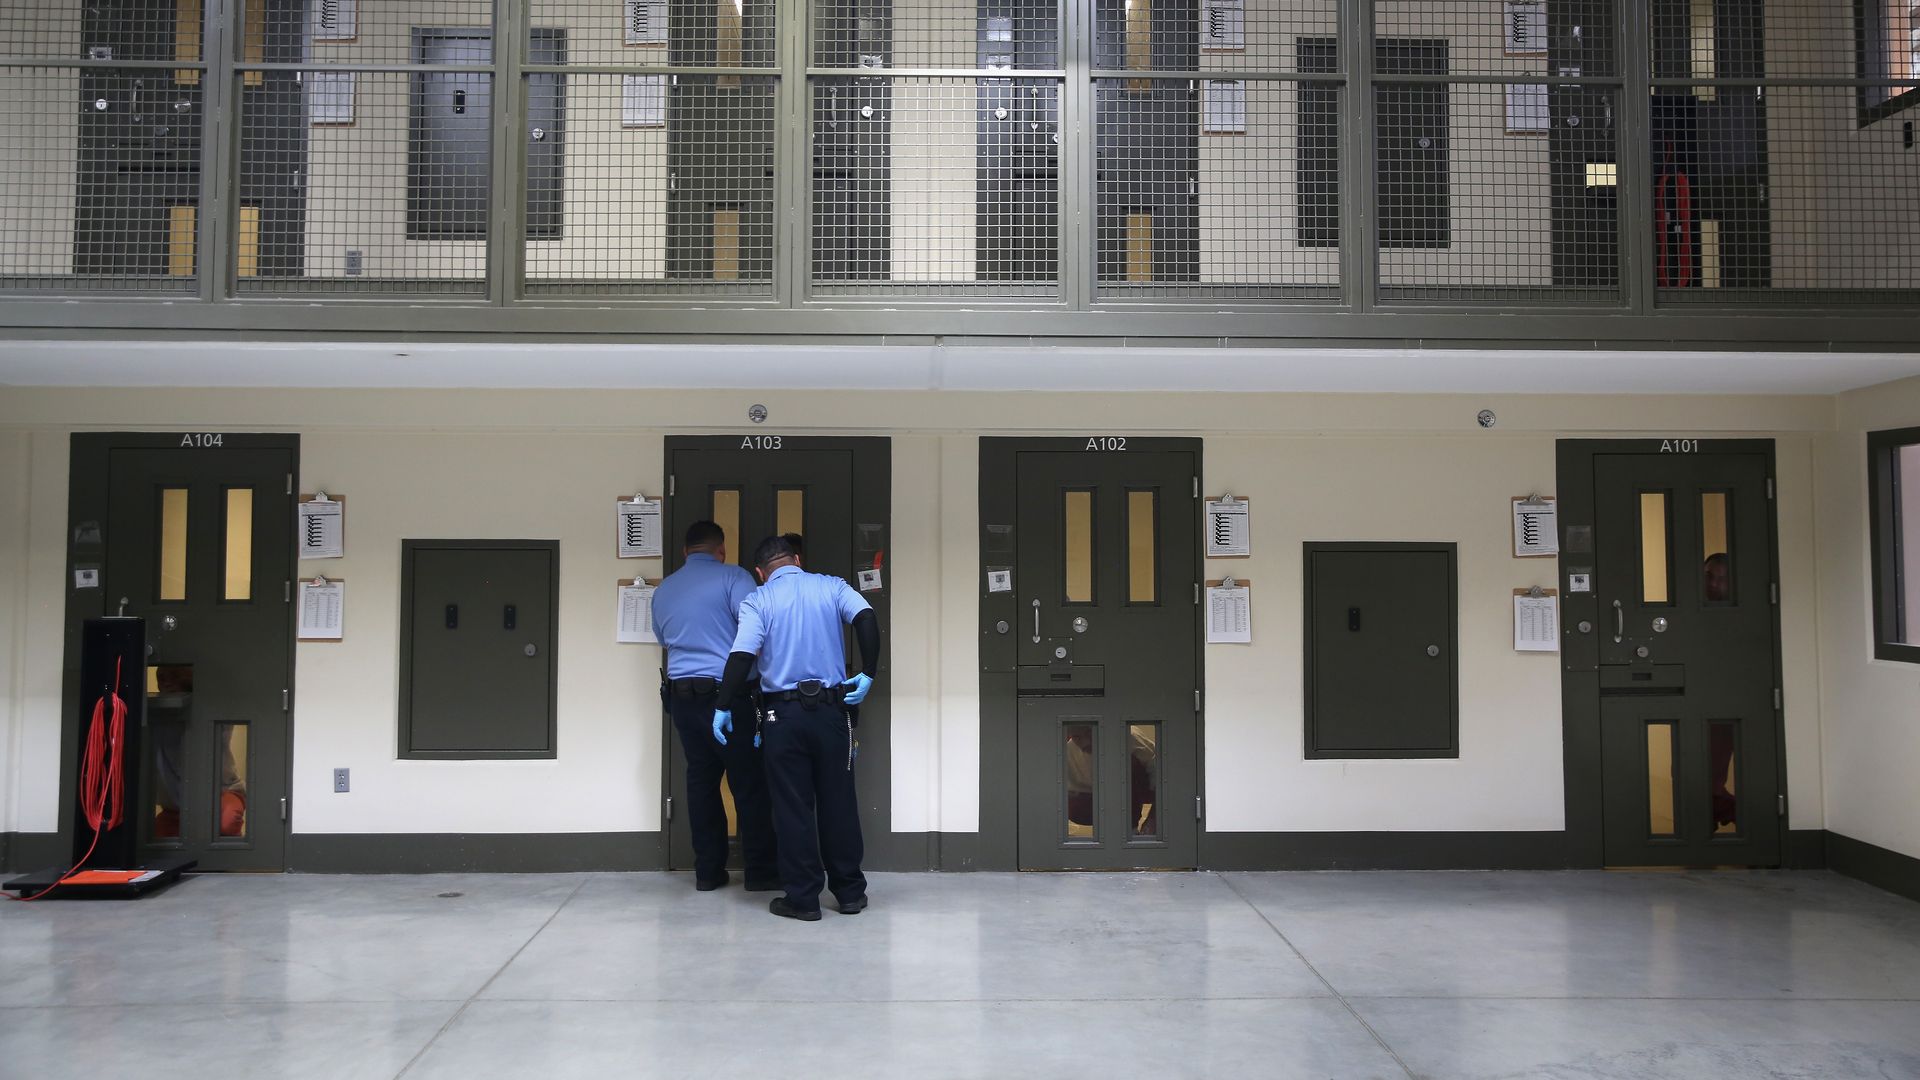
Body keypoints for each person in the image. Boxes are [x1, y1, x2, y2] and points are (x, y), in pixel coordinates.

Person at [712, 535, 879, 921]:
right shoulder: (832, 586)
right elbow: (866, 618)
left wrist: (722, 706)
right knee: (839, 801)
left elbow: (741, 655)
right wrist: (868, 672)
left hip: (782, 718)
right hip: (832, 713)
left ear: (760, 572)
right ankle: (850, 893)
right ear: (798, 559)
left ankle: (802, 899)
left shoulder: (759, 600)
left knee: (792, 808)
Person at [651, 520, 778, 892]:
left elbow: (663, 638)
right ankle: (760, 872)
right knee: (748, 784)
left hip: (682, 698)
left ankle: (708, 872)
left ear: (685, 552)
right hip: (728, 697)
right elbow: (757, 627)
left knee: (701, 782)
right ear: (720, 550)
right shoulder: (733, 578)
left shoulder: (664, 590)